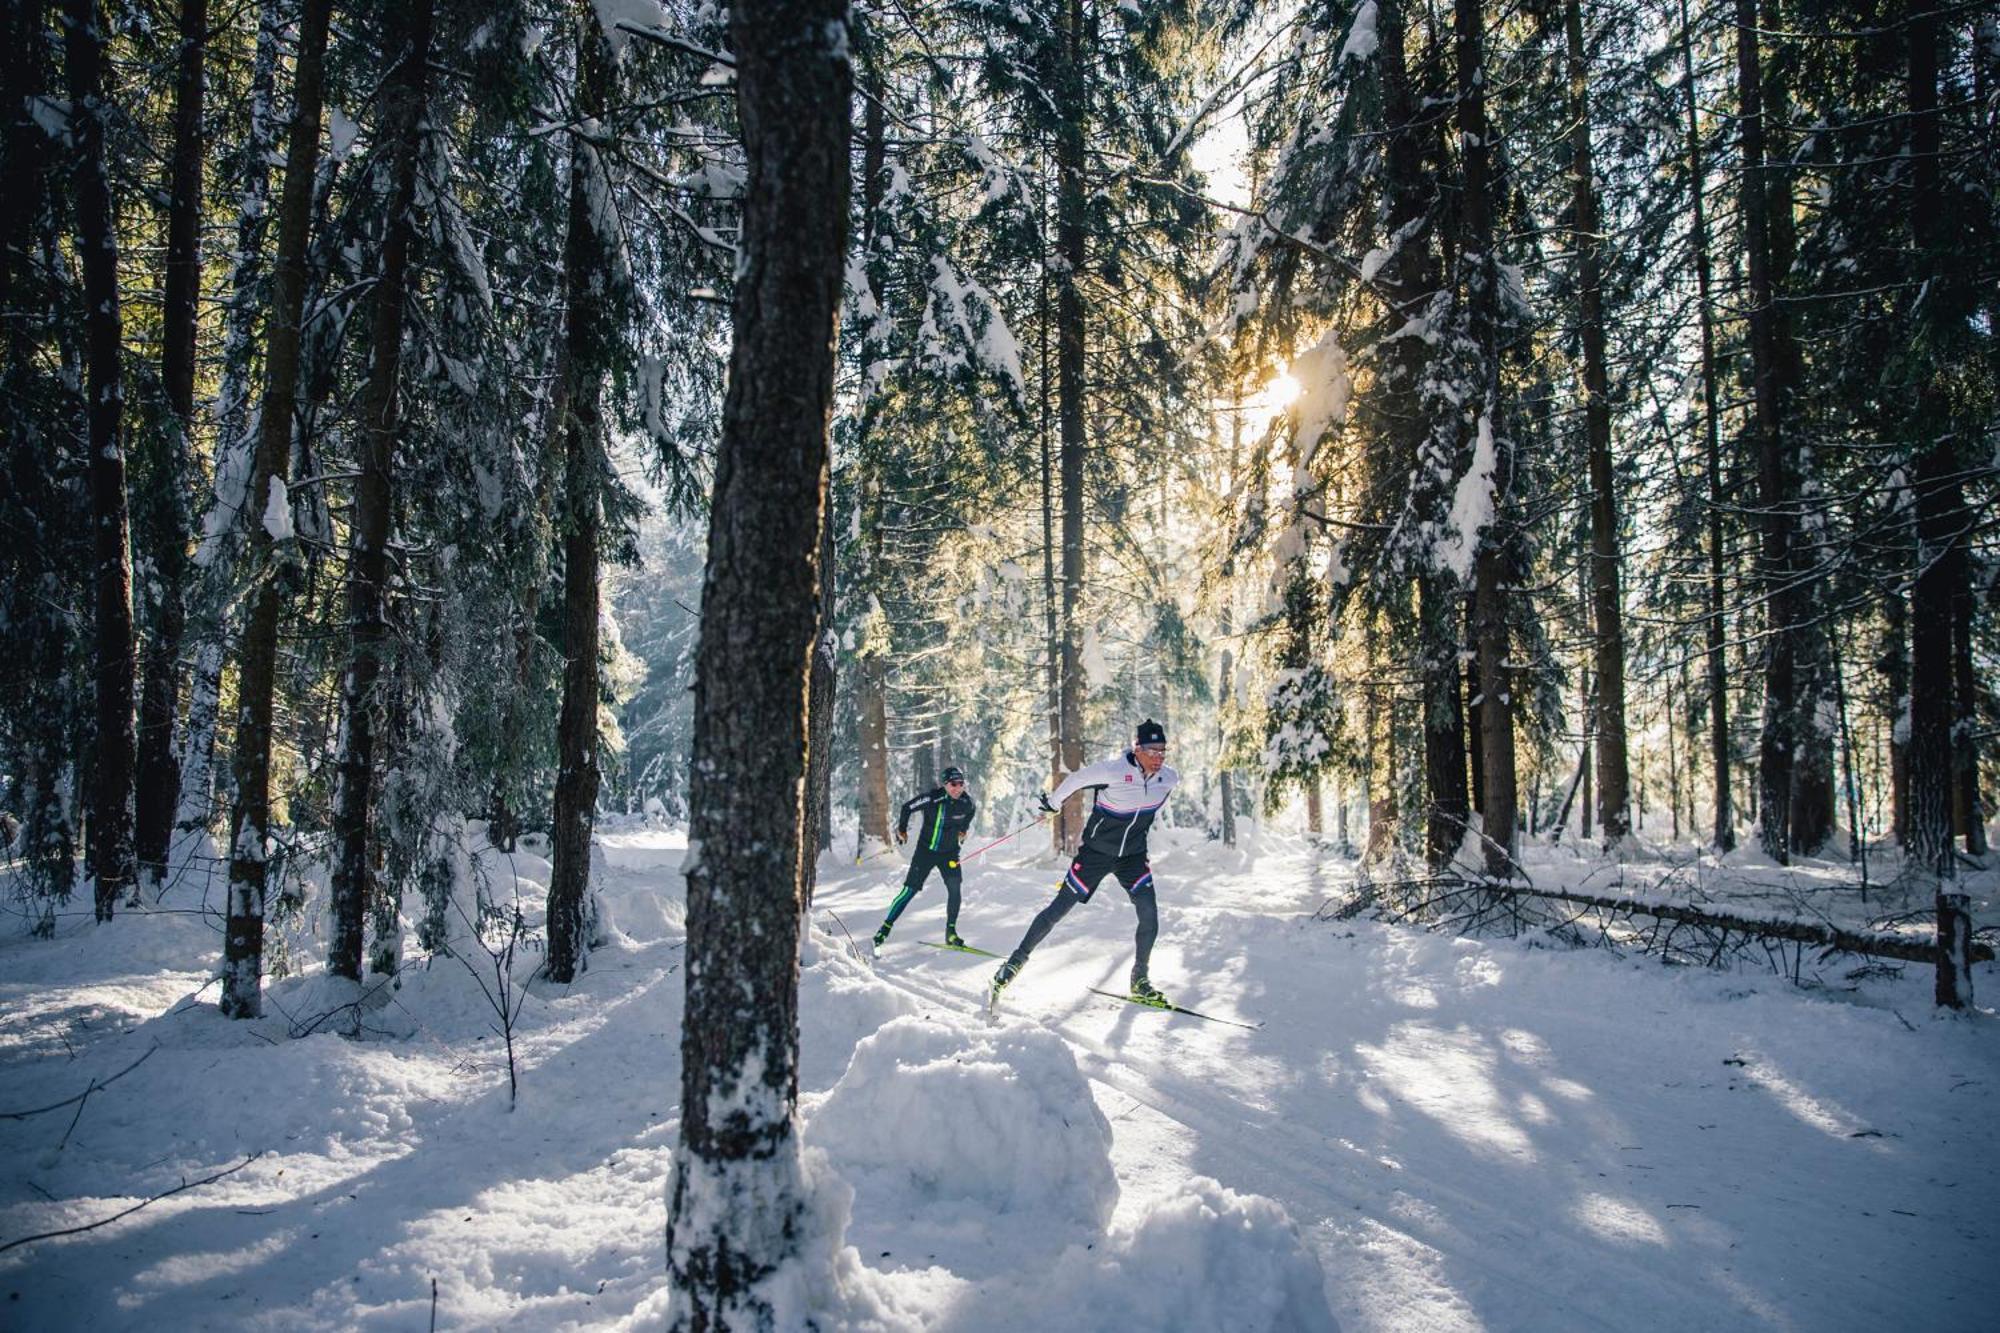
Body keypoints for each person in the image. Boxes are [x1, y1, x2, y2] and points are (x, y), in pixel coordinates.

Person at [988, 719, 1179, 1009]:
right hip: (1096, 855)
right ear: (1136, 748)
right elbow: (1076, 779)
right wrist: (1053, 804)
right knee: (1059, 908)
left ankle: (1140, 980)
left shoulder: (1169, 778)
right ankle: (1014, 963)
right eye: (1152, 751)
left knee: (1149, 913)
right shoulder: (1112, 771)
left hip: (1133, 858)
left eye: (1163, 751)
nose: (1158, 758)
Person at [873, 766, 977, 948]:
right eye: (953, 784)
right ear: (945, 784)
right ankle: (885, 927)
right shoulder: (932, 798)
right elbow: (907, 808)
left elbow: (969, 815)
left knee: (955, 889)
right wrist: (902, 830)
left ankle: (951, 932)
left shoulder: (967, 803)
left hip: (949, 854)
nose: (958, 788)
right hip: (925, 853)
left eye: (961, 784)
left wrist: (963, 830)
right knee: (909, 890)